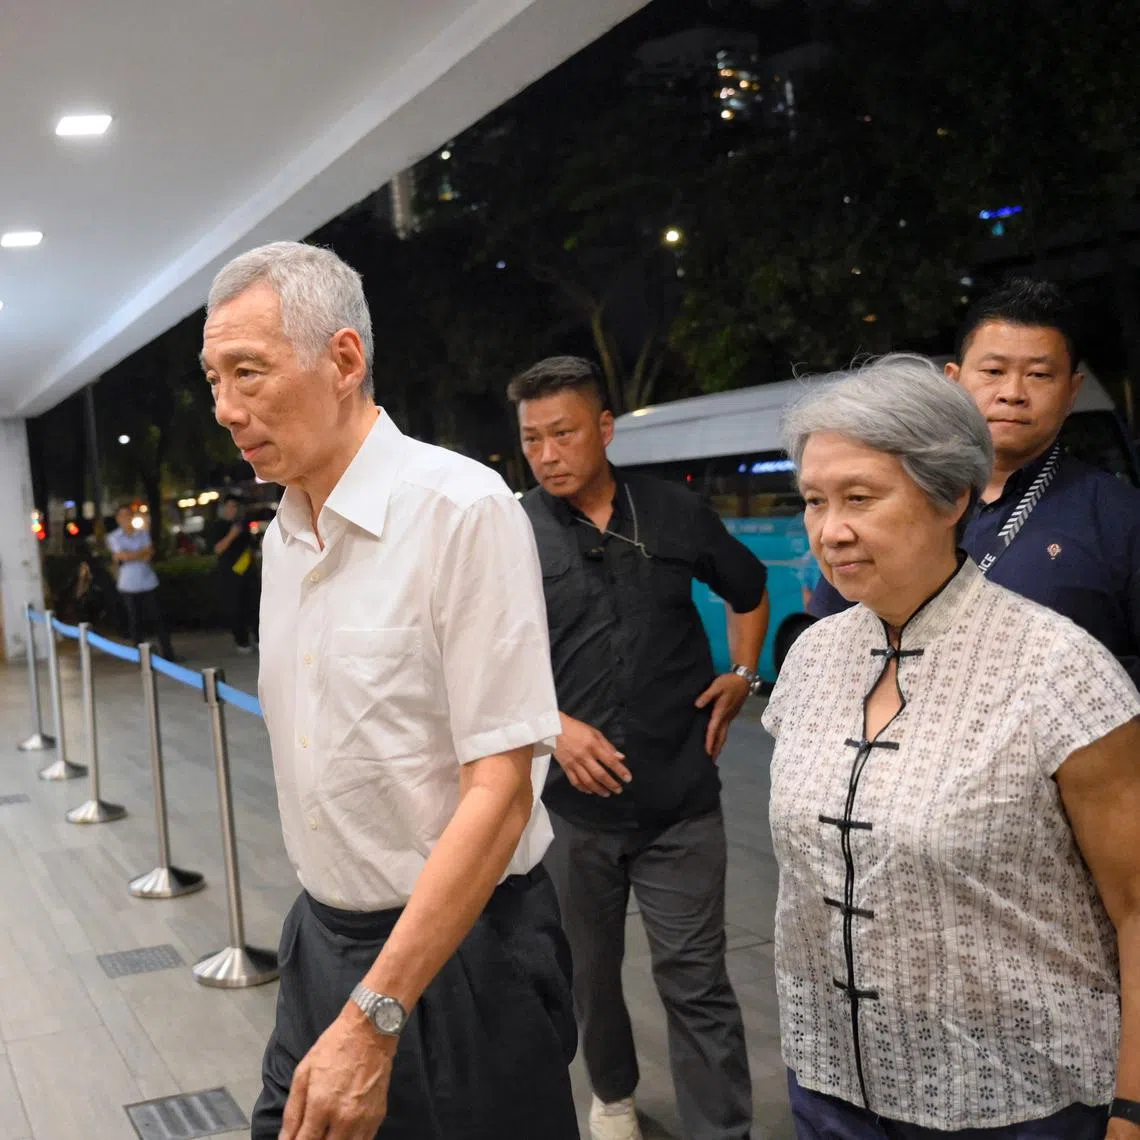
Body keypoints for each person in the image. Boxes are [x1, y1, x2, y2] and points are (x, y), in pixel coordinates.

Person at [202, 242, 578, 1140]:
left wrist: (375, 1016)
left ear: (343, 359)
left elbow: (501, 788)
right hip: (321, 939)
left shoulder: (459, 508)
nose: (225, 409)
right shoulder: (288, 530)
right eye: (214, 379)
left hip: (461, 956)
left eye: (247, 372)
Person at [763, 354, 1140, 1139]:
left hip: (1013, 1099)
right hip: (830, 1084)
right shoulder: (810, 658)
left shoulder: (1059, 671)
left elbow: (1136, 906)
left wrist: (1133, 1107)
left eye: (861, 498)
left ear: (951, 497)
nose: (831, 530)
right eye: (813, 501)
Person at [510, 355, 769, 1140]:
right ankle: (614, 1098)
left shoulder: (671, 512)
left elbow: (749, 588)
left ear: (604, 428)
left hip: (681, 803)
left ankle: (721, 1131)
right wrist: (552, 724)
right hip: (571, 815)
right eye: (531, 440)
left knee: (696, 982)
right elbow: (473, 659)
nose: (548, 454)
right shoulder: (509, 530)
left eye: (562, 433)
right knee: (588, 977)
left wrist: (744, 674)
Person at [809, 277, 1140, 685]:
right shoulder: (901, 500)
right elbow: (827, 642)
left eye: (1039, 375)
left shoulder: (1121, 518)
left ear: (1072, 391)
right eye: (994, 371)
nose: (1013, 393)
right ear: (954, 379)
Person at [106, 505, 177, 660]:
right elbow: (121, 556)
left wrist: (130, 555)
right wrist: (137, 554)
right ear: (118, 519)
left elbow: (148, 553)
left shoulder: (142, 533)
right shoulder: (114, 537)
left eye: (128, 515)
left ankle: (168, 653)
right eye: (122, 516)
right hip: (128, 584)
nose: (126, 519)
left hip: (148, 581)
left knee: (159, 618)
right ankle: (140, 656)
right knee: (135, 621)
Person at [208, 494, 258, 653]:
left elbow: (252, 546)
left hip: (248, 572)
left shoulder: (243, 525)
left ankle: (258, 638)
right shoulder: (218, 526)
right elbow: (217, 549)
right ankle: (242, 641)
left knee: (254, 606)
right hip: (230, 574)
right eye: (229, 507)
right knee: (236, 608)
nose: (232, 510)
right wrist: (231, 535)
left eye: (235, 507)